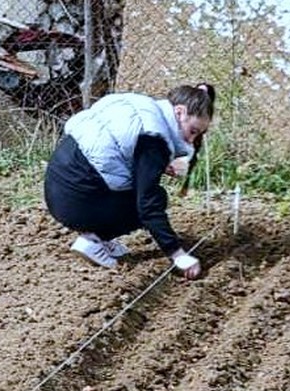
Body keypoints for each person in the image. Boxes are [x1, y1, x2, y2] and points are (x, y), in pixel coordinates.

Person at [43, 83, 217, 275]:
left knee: (138, 191)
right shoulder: (155, 139)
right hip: (77, 201)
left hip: (57, 186)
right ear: (179, 112)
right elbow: (148, 205)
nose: (191, 140)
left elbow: (119, 149)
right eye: (192, 131)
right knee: (156, 198)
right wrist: (178, 255)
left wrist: (158, 166)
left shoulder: (142, 107)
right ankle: (93, 240)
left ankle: (99, 237)